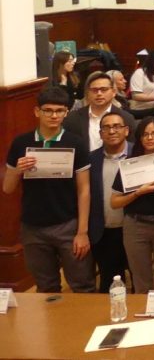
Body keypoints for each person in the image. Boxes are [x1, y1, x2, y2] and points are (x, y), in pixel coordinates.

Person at [3, 88, 93, 293]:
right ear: (37, 112)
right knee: (45, 287)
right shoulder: (21, 143)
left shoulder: (75, 143)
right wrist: (17, 169)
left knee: (82, 285)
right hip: (32, 228)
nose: (54, 115)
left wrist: (82, 232)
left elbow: (84, 189)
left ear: (66, 113)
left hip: (68, 224)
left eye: (59, 111)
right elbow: (8, 188)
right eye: (48, 110)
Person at [110, 117, 154, 293]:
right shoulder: (131, 164)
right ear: (139, 138)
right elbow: (114, 202)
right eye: (145, 134)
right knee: (141, 280)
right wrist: (137, 193)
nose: (150, 138)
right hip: (136, 225)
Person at [87, 112, 131, 292]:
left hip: (134, 228)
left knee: (140, 280)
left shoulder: (139, 154)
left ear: (126, 130)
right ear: (100, 133)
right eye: (106, 127)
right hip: (103, 231)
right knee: (109, 283)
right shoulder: (91, 159)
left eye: (117, 126)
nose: (112, 131)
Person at [64, 72, 137, 151]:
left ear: (113, 92)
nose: (99, 93)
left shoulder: (126, 118)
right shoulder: (72, 118)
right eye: (94, 90)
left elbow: (131, 149)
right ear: (87, 93)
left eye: (104, 89)